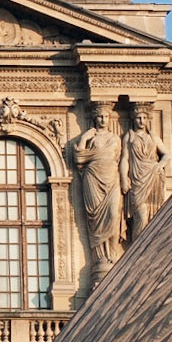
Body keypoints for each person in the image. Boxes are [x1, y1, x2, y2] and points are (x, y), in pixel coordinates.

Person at [73, 106, 125, 275]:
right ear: (95, 118)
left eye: (105, 116)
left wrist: (125, 179)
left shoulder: (115, 138)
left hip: (112, 178)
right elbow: (79, 157)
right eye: (100, 116)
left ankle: (113, 256)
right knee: (95, 220)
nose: (103, 119)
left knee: (114, 215)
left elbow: (119, 159)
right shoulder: (90, 137)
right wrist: (84, 138)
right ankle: (100, 259)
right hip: (93, 177)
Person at [123, 108, 172, 239]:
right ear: (133, 119)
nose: (141, 121)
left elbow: (167, 155)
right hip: (137, 178)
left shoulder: (153, 137)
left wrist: (158, 166)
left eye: (144, 118)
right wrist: (123, 177)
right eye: (138, 118)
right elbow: (124, 158)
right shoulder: (129, 137)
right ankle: (137, 246)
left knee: (152, 214)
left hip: (153, 177)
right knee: (141, 215)